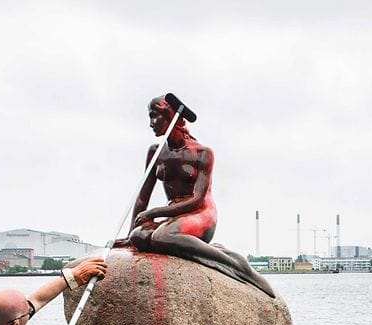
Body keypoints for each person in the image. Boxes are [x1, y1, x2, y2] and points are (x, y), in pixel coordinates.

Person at [118, 95, 275, 298]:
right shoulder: (156, 153)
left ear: (170, 116)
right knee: (139, 236)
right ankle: (203, 250)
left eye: (154, 116)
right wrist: (130, 234)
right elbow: (143, 196)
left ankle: (236, 264)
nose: (150, 124)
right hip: (175, 217)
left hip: (201, 214)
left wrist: (156, 212)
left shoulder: (202, 153)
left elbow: (198, 199)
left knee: (162, 236)